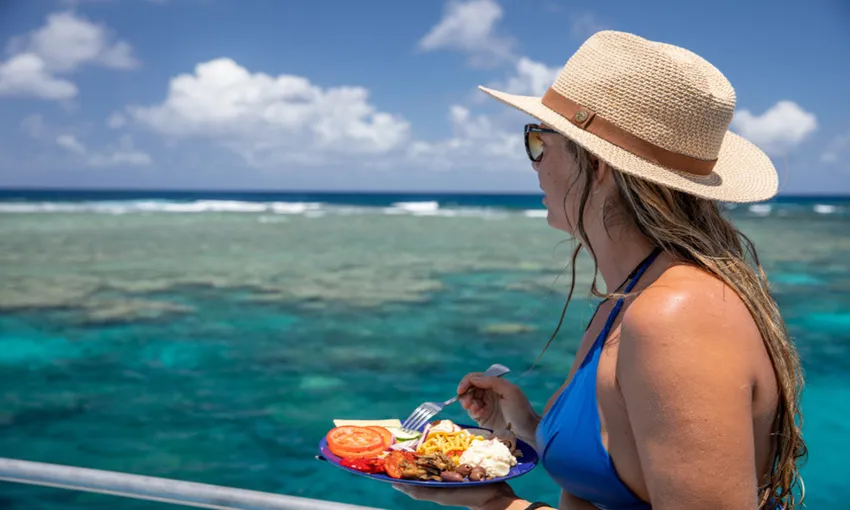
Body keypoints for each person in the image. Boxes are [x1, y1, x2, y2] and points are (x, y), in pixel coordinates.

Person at [393, 30, 806, 510]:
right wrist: (528, 428)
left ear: (595, 164)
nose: (535, 165)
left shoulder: (675, 315)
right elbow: (624, 470)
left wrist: (494, 506)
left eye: (538, 142)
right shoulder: (636, 291)